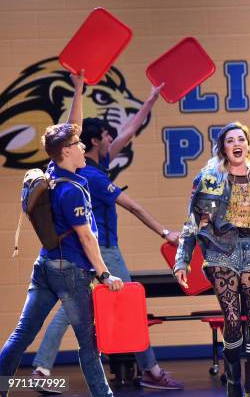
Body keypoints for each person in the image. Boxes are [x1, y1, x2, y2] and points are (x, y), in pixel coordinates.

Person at [31, 83, 183, 391]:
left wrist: (151, 98)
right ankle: (150, 369)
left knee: (70, 308)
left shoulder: (85, 163)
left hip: (86, 250)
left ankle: (41, 370)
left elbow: (128, 130)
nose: (113, 138)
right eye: (107, 136)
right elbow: (134, 207)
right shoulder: (93, 176)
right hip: (101, 250)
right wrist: (166, 233)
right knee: (127, 306)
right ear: (94, 141)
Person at [0, 71, 123, 397]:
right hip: (70, 270)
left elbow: (72, 129)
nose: (83, 145)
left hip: (45, 267)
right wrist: (104, 273)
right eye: (78, 144)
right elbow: (87, 237)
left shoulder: (55, 170)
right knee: (88, 342)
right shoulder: (71, 191)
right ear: (67, 151)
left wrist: (79, 89)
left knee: (22, 334)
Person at [175, 122, 250, 397]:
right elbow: (192, 221)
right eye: (230, 140)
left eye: (241, 139)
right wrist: (182, 258)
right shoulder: (210, 178)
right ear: (223, 148)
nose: (237, 144)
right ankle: (233, 382)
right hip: (220, 250)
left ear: (248, 145)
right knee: (232, 318)